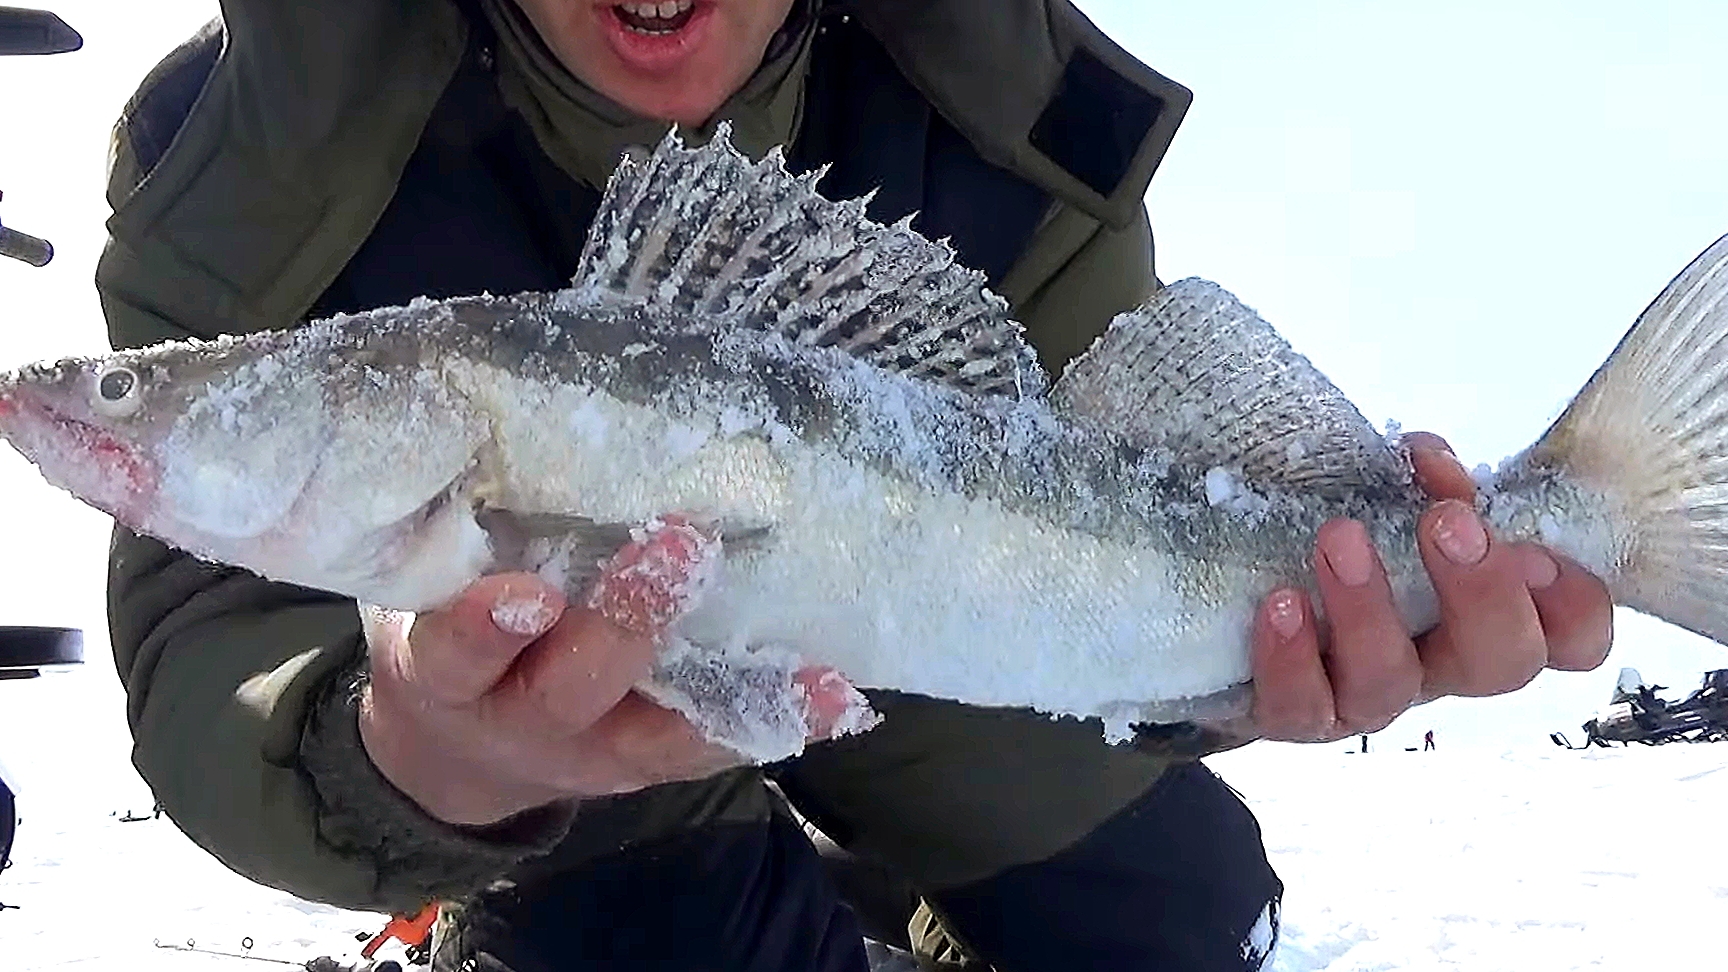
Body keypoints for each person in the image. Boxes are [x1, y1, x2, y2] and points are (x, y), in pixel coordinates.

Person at [96, 2, 1613, 969]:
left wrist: (1264, 664)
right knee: (659, 932)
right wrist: (418, 758)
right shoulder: (234, 164)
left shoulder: (1016, 114)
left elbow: (1140, 492)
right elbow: (201, 657)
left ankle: (890, 892)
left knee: (1176, 906)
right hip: (583, 791)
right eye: (143, 412)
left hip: (949, 660)